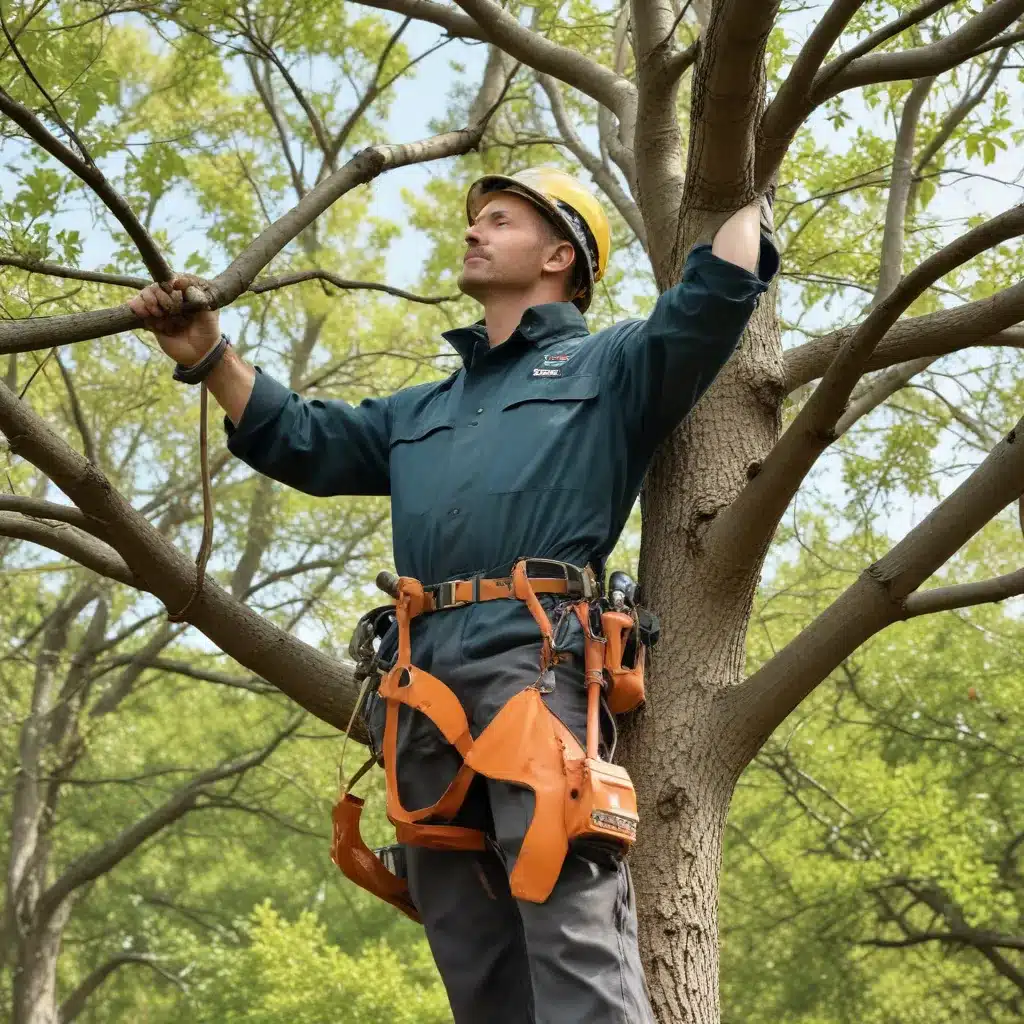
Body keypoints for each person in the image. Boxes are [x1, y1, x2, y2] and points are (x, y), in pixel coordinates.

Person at [129, 166, 779, 1024]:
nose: (473, 231)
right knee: (471, 957)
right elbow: (306, 438)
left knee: (573, 938)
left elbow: (715, 297)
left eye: (499, 220)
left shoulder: (612, 364)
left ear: (559, 255)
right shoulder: (423, 408)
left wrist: (746, 168)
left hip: (535, 665)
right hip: (421, 687)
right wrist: (210, 352)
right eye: (477, 221)